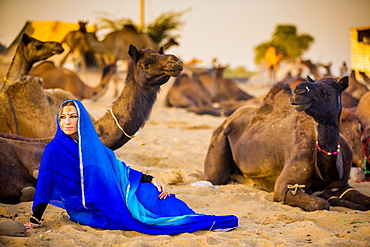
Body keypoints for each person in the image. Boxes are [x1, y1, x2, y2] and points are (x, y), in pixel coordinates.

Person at [26, 99, 238, 234]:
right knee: (141, 212)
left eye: (73, 116)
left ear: (82, 120)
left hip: (114, 190)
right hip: (88, 206)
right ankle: (187, 221)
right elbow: (45, 183)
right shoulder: (55, 149)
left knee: (153, 194)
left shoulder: (89, 145)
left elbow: (118, 168)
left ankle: (190, 217)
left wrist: (151, 178)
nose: (67, 121)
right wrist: (35, 219)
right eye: (63, 117)